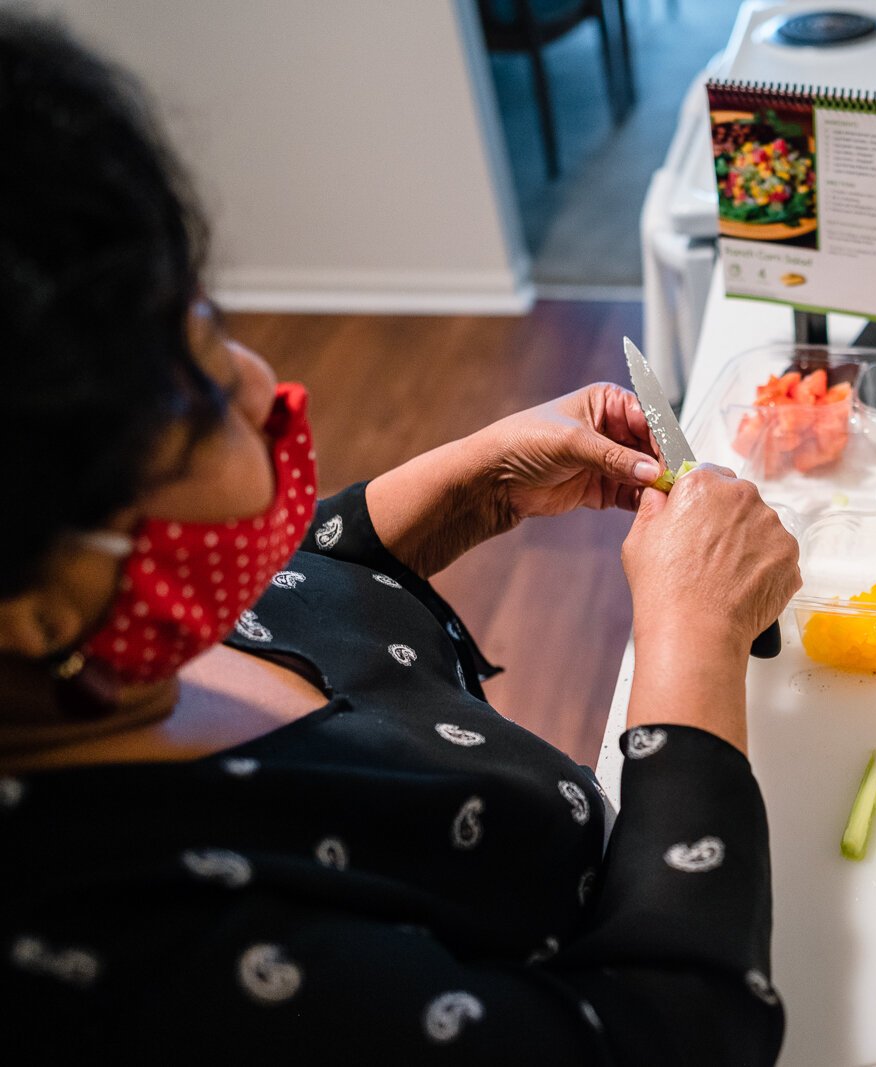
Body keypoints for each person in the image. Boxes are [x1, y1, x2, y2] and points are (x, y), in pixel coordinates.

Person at [0, 12, 801, 1063]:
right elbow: (670, 1034)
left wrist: (474, 486)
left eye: (204, 321)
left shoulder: (107, 636)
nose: (251, 378)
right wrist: (691, 640)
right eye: (190, 396)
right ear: (30, 602)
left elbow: (289, 593)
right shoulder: (147, 972)